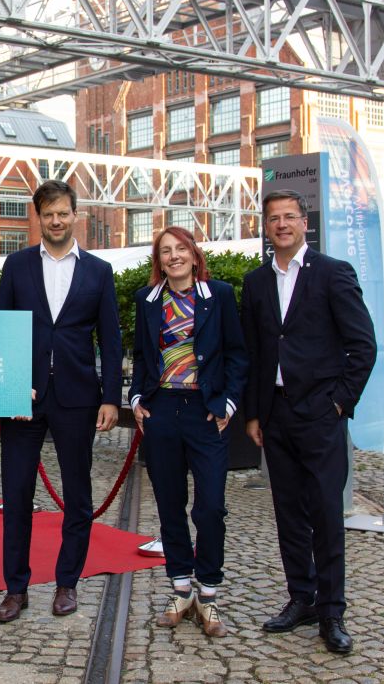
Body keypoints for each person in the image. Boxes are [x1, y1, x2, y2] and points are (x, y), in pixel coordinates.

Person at [242, 189, 376, 654]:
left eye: (289, 217)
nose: (281, 224)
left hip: (320, 414)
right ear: (266, 226)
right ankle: (300, 598)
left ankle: (332, 612)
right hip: (274, 416)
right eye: (273, 218)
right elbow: (256, 352)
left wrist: (339, 403)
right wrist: (255, 412)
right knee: (288, 515)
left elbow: (363, 346)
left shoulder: (334, 274)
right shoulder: (256, 282)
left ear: (304, 223)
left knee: (325, 514)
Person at [0, 180, 122, 622]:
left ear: (74, 215)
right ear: (38, 217)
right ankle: (15, 588)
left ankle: (68, 582)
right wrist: (8, 386)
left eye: (63, 212)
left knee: (79, 494)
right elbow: (1, 331)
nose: (56, 220)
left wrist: (111, 398)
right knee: (15, 494)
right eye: (48, 213)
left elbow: (110, 337)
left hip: (77, 398)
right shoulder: (17, 266)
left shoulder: (99, 271)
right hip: (22, 399)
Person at [129, 227, 248, 637]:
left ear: (195, 255)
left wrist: (229, 402)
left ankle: (209, 594)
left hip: (205, 412)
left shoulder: (219, 296)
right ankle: (181, 589)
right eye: (166, 251)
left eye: (181, 249)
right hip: (161, 411)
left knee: (211, 505)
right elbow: (142, 356)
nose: (174, 256)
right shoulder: (147, 301)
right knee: (169, 504)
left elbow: (237, 353)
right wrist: (136, 399)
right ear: (158, 260)